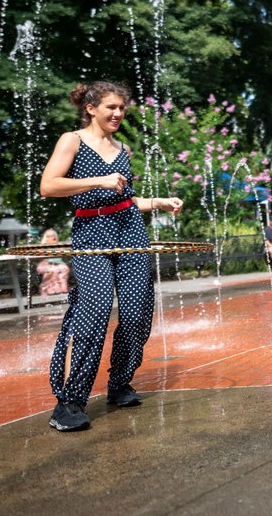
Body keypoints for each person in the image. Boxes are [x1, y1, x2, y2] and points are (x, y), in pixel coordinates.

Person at [39, 81, 183, 432]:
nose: (118, 113)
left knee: (136, 314)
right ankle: (70, 401)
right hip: (91, 234)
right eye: (111, 107)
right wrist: (98, 181)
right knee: (96, 309)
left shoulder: (123, 149)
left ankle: (119, 383)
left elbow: (126, 199)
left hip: (130, 231)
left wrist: (159, 203)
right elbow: (49, 185)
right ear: (91, 108)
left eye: (122, 108)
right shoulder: (72, 140)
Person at [35, 228, 70, 296]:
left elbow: (64, 254)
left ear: (55, 237)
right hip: (45, 264)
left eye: (52, 236)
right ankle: (47, 290)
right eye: (48, 236)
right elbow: (39, 256)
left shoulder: (59, 246)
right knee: (52, 270)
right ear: (45, 238)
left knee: (64, 268)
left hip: (58, 264)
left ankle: (62, 290)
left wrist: (58, 248)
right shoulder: (42, 246)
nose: (50, 237)